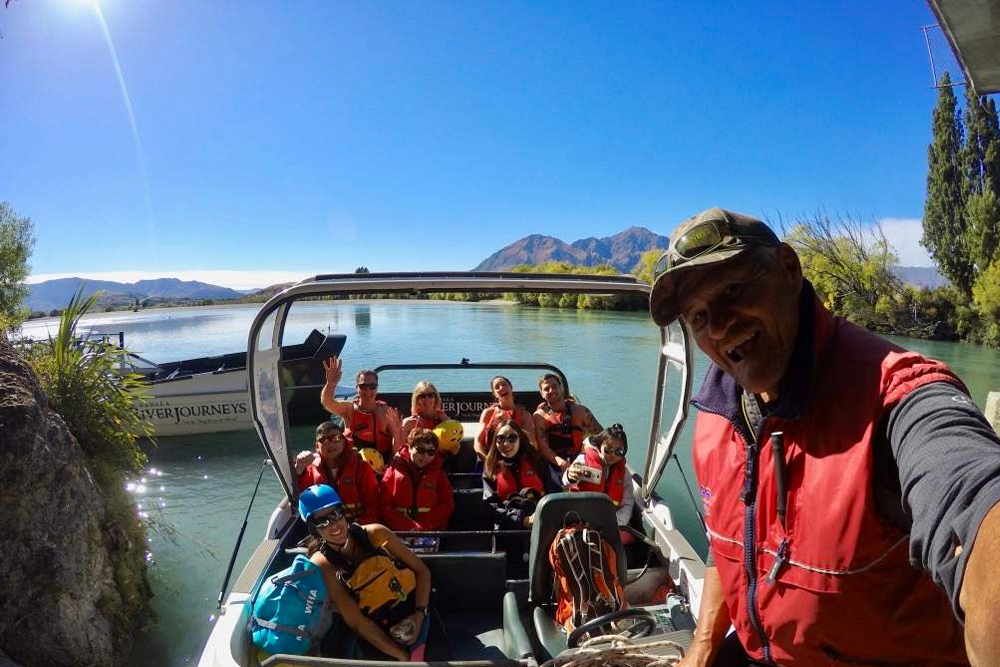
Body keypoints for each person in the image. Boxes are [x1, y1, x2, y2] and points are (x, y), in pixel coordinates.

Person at [648, 207, 1000, 667]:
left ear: (789, 271)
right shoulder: (720, 412)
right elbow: (727, 536)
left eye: (733, 290)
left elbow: (968, 493)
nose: (717, 326)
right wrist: (705, 641)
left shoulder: (894, 397)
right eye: (697, 315)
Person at [300, 484, 432, 662]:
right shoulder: (323, 564)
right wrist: (400, 655)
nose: (333, 526)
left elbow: (422, 571)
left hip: (413, 610)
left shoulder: (377, 534)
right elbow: (357, 621)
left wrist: (419, 615)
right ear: (313, 529)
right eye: (322, 522)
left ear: (344, 512)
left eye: (336, 514)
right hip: (373, 628)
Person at [320, 358, 401, 472]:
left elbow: (396, 444)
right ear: (357, 388)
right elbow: (327, 403)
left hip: (381, 467)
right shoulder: (349, 409)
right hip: (353, 468)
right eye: (363, 386)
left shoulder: (385, 412)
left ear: (377, 388)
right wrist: (331, 384)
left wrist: (390, 466)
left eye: (372, 386)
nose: (368, 391)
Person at [295, 420, 380, 525]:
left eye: (336, 438)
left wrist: (358, 529)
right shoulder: (312, 469)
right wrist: (299, 470)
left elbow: (373, 505)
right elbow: (299, 493)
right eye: (323, 440)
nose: (330, 443)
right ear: (317, 446)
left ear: (344, 441)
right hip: (327, 528)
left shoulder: (361, 468)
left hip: (358, 526)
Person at [563, 423, 635, 543]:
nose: (612, 455)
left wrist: (613, 524)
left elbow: (628, 504)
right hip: (580, 519)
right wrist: (570, 475)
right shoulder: (584, 459)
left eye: (619, 452)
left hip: (609, 522)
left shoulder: (624, 474)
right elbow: (565, 482)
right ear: (600, 444)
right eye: (608, 449)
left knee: (629, 539)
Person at [482, 418, 555, 529]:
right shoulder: (490, 470)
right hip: (507, 530)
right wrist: (522, 519)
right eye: (500, 439)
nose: (506, 444)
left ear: (520, 439)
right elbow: (490, 508)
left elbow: (555, 495)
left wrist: (541, 514)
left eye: (512, 438)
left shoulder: (538, 463)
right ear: (495, 442)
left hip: (542, 524)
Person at [380, 428, 455, 532]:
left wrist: (423, 526)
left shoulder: (439, 474)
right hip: (398, 531)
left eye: (431, 452)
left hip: (430, 530)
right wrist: (406, 526)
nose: (425, 456)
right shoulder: (393, 470)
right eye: (420, 450)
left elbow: (447, 504)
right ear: (410, 447)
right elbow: (384, 504)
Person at [476, 375, 558, 465]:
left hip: (517, 462)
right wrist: (489, 463)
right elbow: (477, 443)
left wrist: (510, 423)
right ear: (495, 394)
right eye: (497, 387)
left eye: (504, 384)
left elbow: (533, 444)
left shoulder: (524, 415)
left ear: (511, 388)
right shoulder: (488, 413)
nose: (501, 388)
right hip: (489, 461)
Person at [533, 373, 603, 470]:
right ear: (542, 394)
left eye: (554, 386)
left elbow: (602, 435)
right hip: (555, 465)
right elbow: (544, 449)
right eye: (546, 389)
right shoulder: (539, 416)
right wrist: (564, 465)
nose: (551, 390)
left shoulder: (580, 411)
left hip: (582, 461)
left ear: (561, 388)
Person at [400, 381, 450, 447]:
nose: (427, 399)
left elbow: (454, 435)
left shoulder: (441, 416)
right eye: (422, 396)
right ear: (416, 399)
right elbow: (398, 451)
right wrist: (395, 430)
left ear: (435, 397)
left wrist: (446, 422)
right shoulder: (410, 422)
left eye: (430, 395)